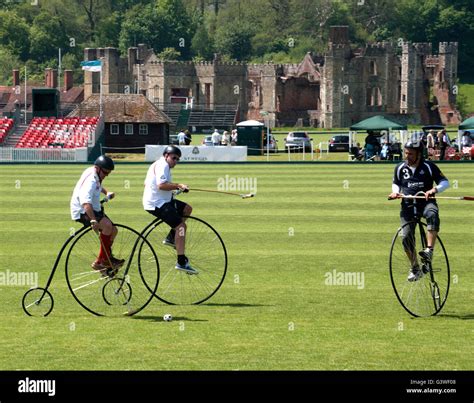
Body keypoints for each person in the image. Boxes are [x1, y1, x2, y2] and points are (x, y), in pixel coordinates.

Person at [388, 141, 449, 282]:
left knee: (432, 214)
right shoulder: (400, 168)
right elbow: (396, 183)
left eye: (411, 154)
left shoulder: (429, 166)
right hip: (408, 205)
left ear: (419, 154)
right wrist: (395, 192)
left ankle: (429, 250)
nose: (407, 156)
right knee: (406, 236)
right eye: (406, 153)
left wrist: (434, 190)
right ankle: (415, 267)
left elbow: (444, 182)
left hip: (426, 202)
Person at [142, 145, 197, 274]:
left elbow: (148, 184)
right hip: (157, 204)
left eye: (178, 159)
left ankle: (171, 238)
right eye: (174, 158)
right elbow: (161, 185)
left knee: (187, 209)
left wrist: (173, 191)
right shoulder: (163, 165)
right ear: (166, 155)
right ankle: (181, 261)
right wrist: (178, 186)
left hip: (165, 200)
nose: (175, 161)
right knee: (181, 227)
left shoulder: (159, 164)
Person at [70, 155, 124, 276]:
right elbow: (85, 202)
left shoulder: (93, 172)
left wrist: (106, 192)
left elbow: (98, 186)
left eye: (108, 173)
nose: (106, 175)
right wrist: (93, 220)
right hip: (83, 210)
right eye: (105, 172)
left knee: (114, 230)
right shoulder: (91, 180)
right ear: (98, 168)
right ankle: (102, 261)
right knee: (107, 226)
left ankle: (105, 258)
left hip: (93, 208)